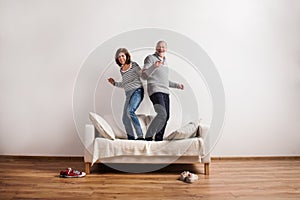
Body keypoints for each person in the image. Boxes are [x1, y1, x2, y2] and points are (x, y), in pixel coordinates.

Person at [140, 41, 184, 141]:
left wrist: (177, 85)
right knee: (162, 114)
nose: (161, 48)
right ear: (156, 48)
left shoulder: (165, 62)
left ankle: (158, 139)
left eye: (163, 47)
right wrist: (153, 67)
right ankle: (148, 135)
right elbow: (144, 75)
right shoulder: (150, 58)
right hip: (155, 89)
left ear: (166, 49)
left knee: (166, 116)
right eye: (159, 47)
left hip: (165, 91)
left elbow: (164, 81)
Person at [108, 48, 144, 140]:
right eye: (119, 57)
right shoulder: (121, 70)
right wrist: (114, 83)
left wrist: (143, 71)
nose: (121, 58)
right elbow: (125, 84)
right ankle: (131, 137)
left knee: (130, 111)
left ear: (126, 56)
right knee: (124, 117)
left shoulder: (133, 65)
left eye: (122, 56)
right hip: (128, 94)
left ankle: (140, 136)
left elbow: (142, 75)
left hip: (137, 91)